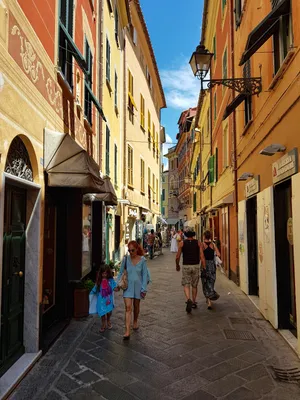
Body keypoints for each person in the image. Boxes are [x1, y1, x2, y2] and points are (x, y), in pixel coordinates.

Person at [116, 241, 148, 339]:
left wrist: (143, 289)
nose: (131, 252)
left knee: (136, 307)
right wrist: (117, 284)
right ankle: (127, 331)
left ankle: (135, 321)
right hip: (128, 287)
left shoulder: (142, 260)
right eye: (129, 250)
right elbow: (121, 272)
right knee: (128, 308)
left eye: (132, 250)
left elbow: (145, 275)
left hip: (138, 287)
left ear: (137, 249)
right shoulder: (126, 259)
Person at [176, 231, 206, 313]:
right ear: (193, 235)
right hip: (195, 265)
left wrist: (177, 265)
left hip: (186, 266)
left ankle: (188, 299)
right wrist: (204, 266)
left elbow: (177, 256)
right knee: (194, 285)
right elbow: (202, 255)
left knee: (186, 284)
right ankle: (193, 301)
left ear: (185, 236)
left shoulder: (182, 243)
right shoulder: (198, 243)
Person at [90, 266, 118, 332]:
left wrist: (118, 288)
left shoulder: (111, 281)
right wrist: (91, 294)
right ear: (101, 274)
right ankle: (103, 324)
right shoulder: (99, 281)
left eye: (106, 273)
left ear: (108, 273)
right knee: (102, 312)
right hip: (101, 300)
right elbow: (95, 289)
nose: (104, 275)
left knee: (109, 312)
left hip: (108, 300)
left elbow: (114, 287)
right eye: (103, 273)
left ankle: (108, 320)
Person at [201, 230, 221, 310]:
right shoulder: (213, 245)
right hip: (212, 265)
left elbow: (201, 256)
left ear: (204, 236)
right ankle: (211, 295)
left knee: (205, 282)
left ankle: (208, 300)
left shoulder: (202, 245)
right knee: (211, 281)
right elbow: (218, 254)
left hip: (205, 265)